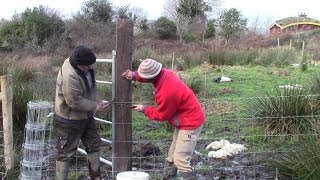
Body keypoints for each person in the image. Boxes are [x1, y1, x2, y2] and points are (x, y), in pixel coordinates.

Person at [122, 59, 206, 180]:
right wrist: (134, 75)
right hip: (183, 121)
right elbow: (148, 75)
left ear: (151, 77)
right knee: (172, 156)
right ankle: (168, 177)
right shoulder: (164, 73)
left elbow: (162, 115)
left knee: (181, 160)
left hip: (190, 124)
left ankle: (189, 177)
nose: (143, 78)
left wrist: (144, 109)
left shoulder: (168, 91)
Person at [55, 45, 109, 180]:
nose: (91, 68)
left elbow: (88, 87)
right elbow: (74, 102)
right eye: (88, 65)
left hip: (86, 115)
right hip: (70, 119)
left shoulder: (84, 66)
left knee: (94, 144)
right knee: (66, 152)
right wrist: (94, 106)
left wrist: (96, 100)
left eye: (92, 64)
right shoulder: (70, 76)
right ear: (78, 64)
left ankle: (96, 177)